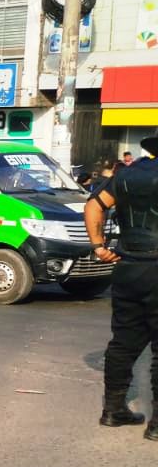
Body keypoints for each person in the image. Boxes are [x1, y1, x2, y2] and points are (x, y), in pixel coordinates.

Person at [85, 135, 158, 439]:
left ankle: (113, 410)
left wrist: (99, 247)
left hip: (128, 266)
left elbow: (93, 206)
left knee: (124, 341)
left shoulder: (126, 174)